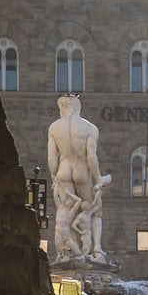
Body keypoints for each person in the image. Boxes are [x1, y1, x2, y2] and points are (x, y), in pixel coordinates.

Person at [47, 94, 111, 263]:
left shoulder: (54, 128)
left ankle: (68, 253)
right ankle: (96, 250)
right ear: (78, 107)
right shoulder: (90, 128)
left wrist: (54, 176)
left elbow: (52, 160)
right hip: (82, 172)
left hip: (63, 172)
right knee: (93, 210)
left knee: (66, 211)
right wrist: (98, 179)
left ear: (62, 108)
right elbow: (91, 158)